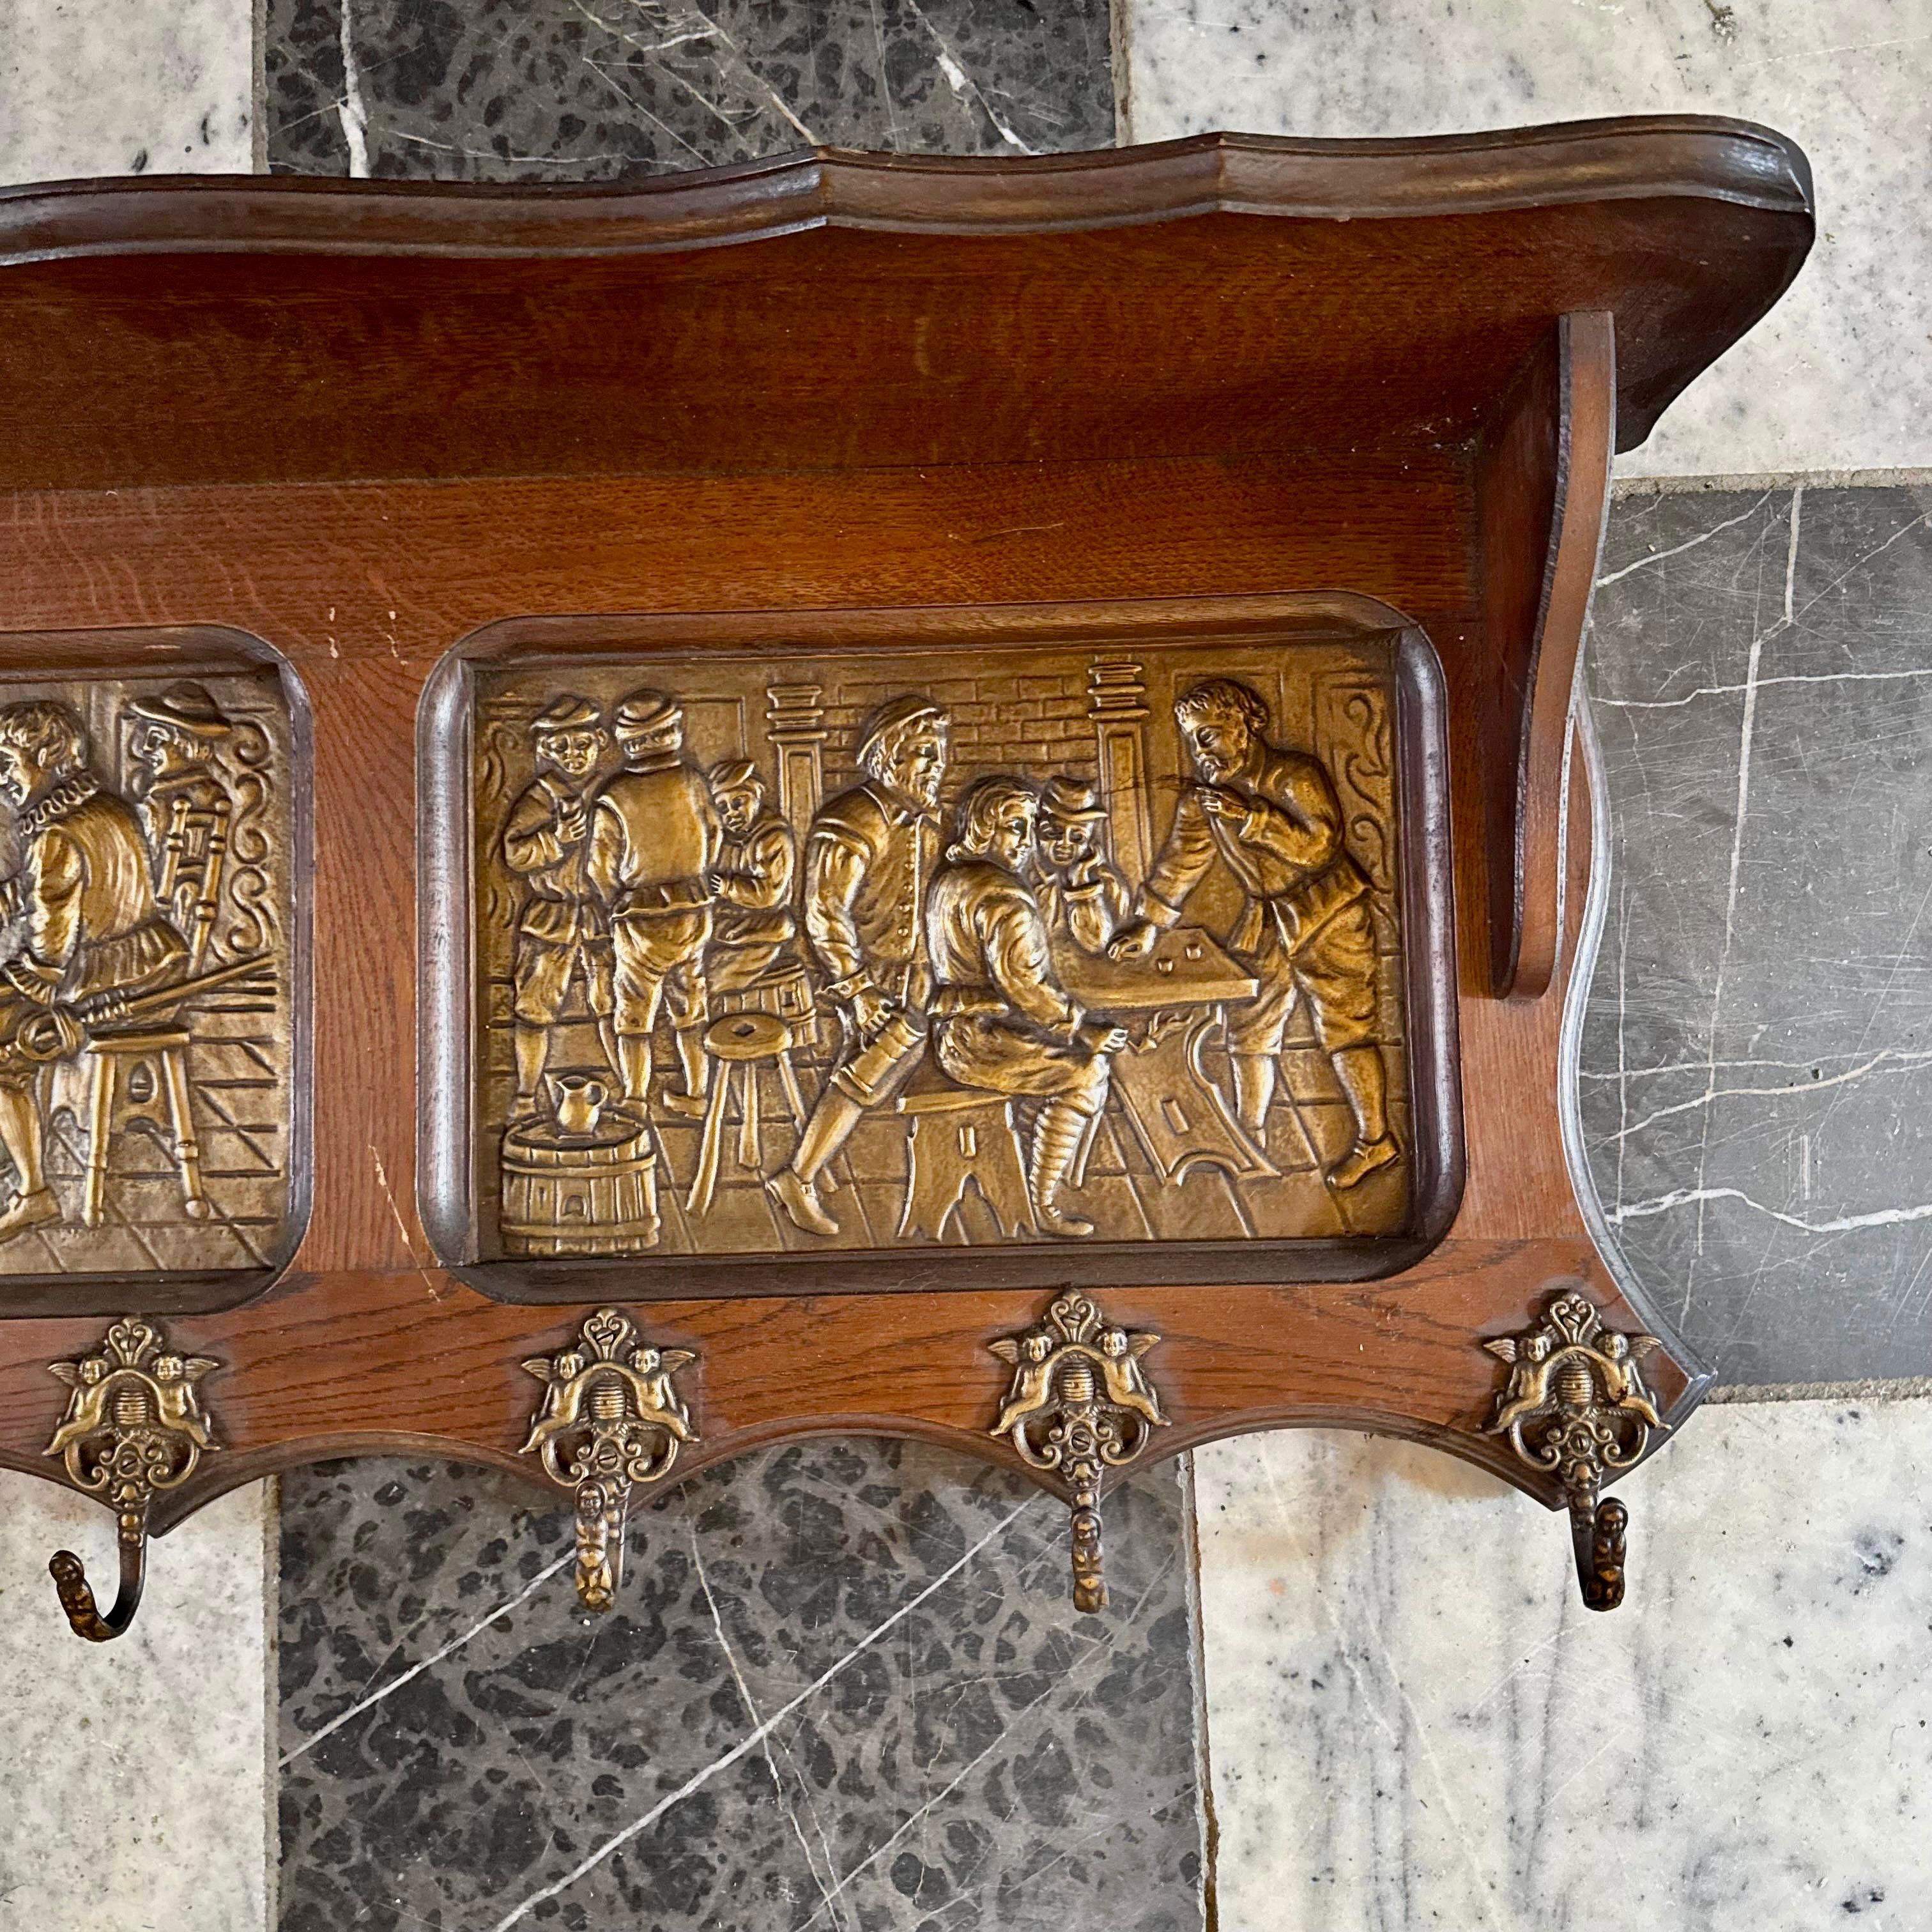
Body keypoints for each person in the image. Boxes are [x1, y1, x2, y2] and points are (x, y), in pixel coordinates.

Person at [1109, 676, 1397, 1189]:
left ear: (1245, 726)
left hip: (1328, 912)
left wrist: (1252, 817)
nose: (1201, 752)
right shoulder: (1204, 800)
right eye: (1193, 741)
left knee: (1346, 1028)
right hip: (1268, 920)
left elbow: (1319, 847)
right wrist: (1149, 924)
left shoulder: (1294, 776)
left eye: (1209, 736)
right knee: (1248, 1027)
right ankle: (1253, 1138)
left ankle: (1375, 1142)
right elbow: (1180, 863)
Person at [0, 701, 188, 1239]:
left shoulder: (55, 835)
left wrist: (21, 980)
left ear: (47, 757)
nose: (3, 780)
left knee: (4, 1051)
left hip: (105, 980)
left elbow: (49, 954)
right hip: (153, 959)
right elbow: (70, 888)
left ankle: (33, 1192)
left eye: (8, 764)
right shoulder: (107, 808)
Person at [766, 694, 949, 1238]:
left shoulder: (926, 819)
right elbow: (825, 910)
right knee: (867, 1070)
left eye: (939, 753)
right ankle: (799, 1176)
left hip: (922, 971)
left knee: (887, 1071)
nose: (936, 765)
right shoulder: (853, 819)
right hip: (874, 976)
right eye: (924, 753)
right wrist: (858, 990)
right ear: (890, 755)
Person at [927, 776, 1128, 1238]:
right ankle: (1043, 1204)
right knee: (1088, 1072)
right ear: (985, 828)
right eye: (1017, 827)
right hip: (979, 1041)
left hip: (959, 1032)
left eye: (1028, 827)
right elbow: (1025, 984)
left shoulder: (954, 878)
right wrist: (1081, 1028)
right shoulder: (1003, 895)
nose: (1026, 840)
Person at [586, 691, 721, 1120]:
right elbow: (714, 833)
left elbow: (599, 868)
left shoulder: (615, 795)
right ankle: (697, 1092)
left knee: (634, 1010)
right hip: (693, 912)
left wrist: (616, 902)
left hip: (641, 920)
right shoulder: (693, 781)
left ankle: (635, 1098)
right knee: (690, 1004)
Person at [500, 694, 611, 1119]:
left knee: (613, 1003)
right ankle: (527, 1094)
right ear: (547, 750)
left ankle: (630, 1090)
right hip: (552, 914)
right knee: (534, 1008)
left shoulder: (610, 792)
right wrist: (556, 840)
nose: (573, 755)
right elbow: (515, 854)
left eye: (581, 744)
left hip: (602, 914)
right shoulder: (539, 797)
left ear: (599, 742)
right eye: (561, 747)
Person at [702, 758, 800, 1002]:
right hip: (726, 930)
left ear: (756, 797)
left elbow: (769, 894)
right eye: (723, 808)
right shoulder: (723, 839)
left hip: (760, 933)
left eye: (738, 803)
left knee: (710, 983)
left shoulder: (771, 838)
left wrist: (728, 887)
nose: (732, 814)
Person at [1034, 774, 1131, 955]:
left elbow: (1097, 943)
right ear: (1037, 827)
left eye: (1078, 837)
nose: (1065, 843)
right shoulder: (1024, 876)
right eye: (1054, 833)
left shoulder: (1109, 885)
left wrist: (1081, 882)